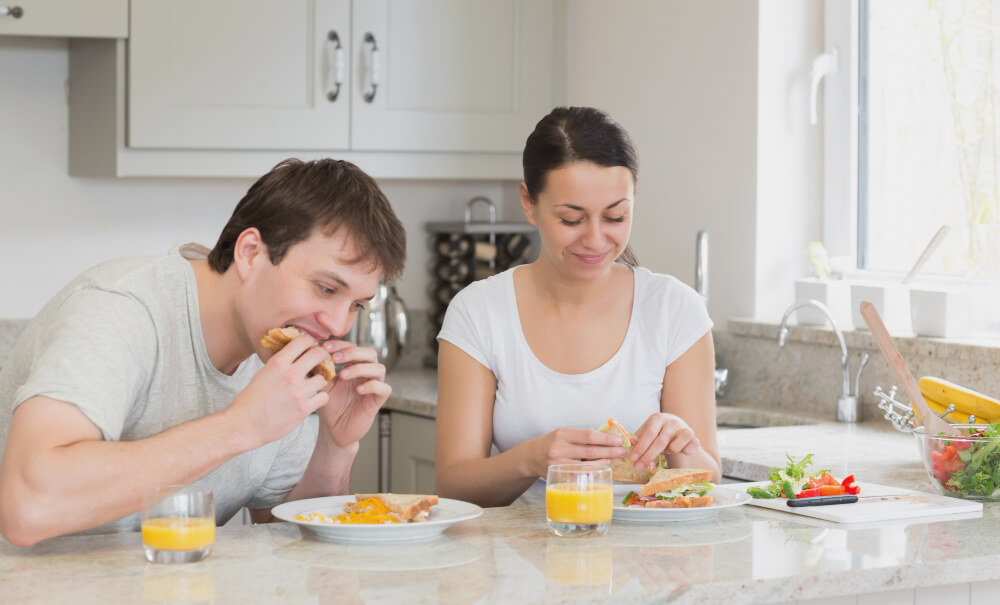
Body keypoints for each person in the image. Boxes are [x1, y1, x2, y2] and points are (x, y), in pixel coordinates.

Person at [0, 158, 406, 545]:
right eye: (326, 288)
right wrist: (240, 426)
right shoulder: (122, 309)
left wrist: (335, 446)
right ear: (250, 254)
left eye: (356, 304)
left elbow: (287, 538)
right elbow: (27, 509)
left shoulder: (277, 356)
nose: (338, 326)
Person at [435, 106, 721, 507]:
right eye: (571, 219)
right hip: (515, 562)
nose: (596, 239)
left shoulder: (676, 311)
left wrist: (680, 443)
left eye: (615, 216)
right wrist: (530, 460)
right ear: (528, 203)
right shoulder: (478, 313)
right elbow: (453, 485)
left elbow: (708, 479)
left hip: (645, 563)